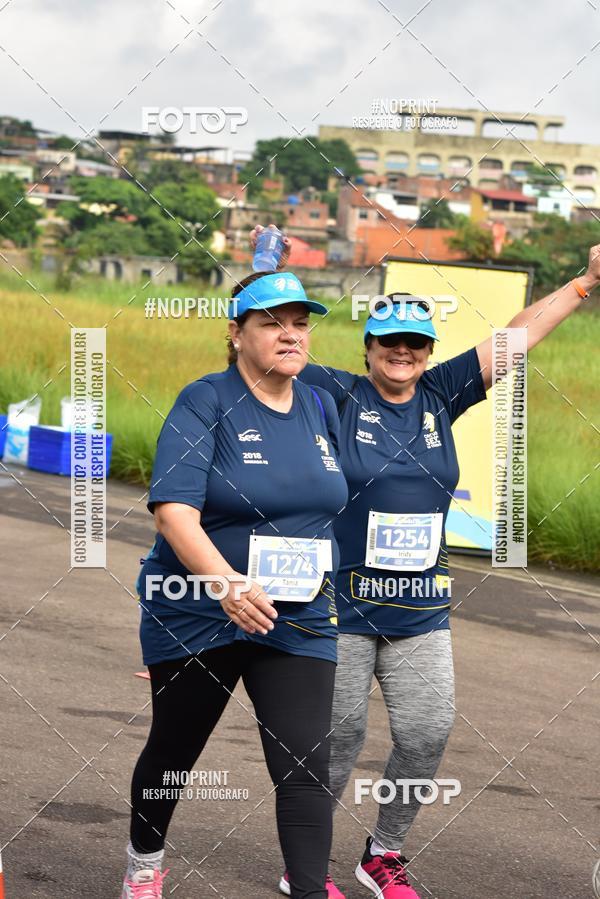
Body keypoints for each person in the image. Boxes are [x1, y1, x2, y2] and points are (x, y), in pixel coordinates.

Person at [251, 225, 600, 899]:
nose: (402, 353)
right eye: (390, 342)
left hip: (420, 612)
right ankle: (308, 864)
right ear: (370, 348)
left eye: (414, 343)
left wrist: (585, 283)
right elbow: (265, 351)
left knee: (427, 731)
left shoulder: (443, 393)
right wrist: (263, 275)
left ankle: (382, 852)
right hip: (341, 608)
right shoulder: (336, 393)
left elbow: (518, 339)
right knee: (340, 739)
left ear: (427, 350)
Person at [121, 270, 349, 899]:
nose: (290, 334)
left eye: (300, 322)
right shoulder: (206, 400)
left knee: (306, 763)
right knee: (175, 750)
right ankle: (144, 864)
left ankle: (308, 890)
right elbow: (173, 511)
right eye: (272, 322)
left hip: (295, 614)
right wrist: (227, 586)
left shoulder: (318, 403)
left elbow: (323, 506)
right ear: (236, 334)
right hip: (199, 609)